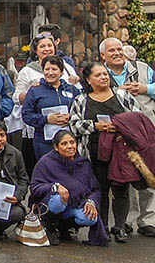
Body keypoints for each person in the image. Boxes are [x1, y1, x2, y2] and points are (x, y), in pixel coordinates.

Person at [69, 62, 142, 242]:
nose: (104, 78)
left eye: (105, 74)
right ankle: (103, 228)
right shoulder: (81, 100)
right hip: (94, 154)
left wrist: (120, 127)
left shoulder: (122, 96)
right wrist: (95, 126)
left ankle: (120, 226)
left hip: (121, 154)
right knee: (100, 190)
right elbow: (73, 125)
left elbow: (138, 118)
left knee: (121, 190)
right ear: (88, 79)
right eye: (98, 75)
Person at [98, 37, 155, 236]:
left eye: (119, 49)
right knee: (125, 176)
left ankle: (148, 220)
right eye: (111, 50)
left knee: (148, 174)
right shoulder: (100, 72)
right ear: (103, 56)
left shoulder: (142, 68)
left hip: (145, 134)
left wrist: (145, 88)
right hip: (119, 136)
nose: (117, 53)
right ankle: (127, 220)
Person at [30, 129, 104, 246]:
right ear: (56, 147)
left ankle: (65, 227)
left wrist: (91, 202)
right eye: (64, 144)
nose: (70, 146)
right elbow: (34, 188)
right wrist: (54, 187)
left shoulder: (83, 164)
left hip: (75, 205)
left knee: (90, 218)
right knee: (58, 200)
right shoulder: (46, 163)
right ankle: (49, 227)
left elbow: (95, 189)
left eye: (72, 142)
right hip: (51, 205)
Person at [22, 55, 80, 161]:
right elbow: (26, 115)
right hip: (44, 144)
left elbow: (81, 111)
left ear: (61, 72)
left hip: (69, 142)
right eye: (47, 69)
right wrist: (47, 119)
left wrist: (71, 118)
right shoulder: (34, 91)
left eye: (54, 69)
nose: (50, 73)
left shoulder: (72, 90)